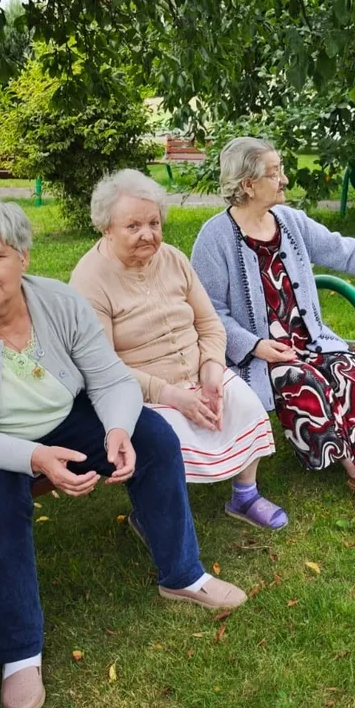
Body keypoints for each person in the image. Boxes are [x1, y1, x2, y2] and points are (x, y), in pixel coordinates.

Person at [0, 197, 248, 708]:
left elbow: (110, 379)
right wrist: (35, 458)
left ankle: (183, 574)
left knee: (153, 439)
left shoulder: (58, 302)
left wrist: (117, 429)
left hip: (57, 419)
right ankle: (20, 651)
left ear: (23, 257)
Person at [191, 137, 355, 503]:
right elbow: (209, 313)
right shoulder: (215, 238)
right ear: (247, 185)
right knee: (302, 380)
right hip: (262, 353)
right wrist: (256, 345)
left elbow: (344, 250)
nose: (284, 180)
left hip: (311, 339)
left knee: (345, 369)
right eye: (275, 173)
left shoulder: (289, 222)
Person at [70, 170, 283, 530]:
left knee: (244, 403)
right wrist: (171, 395)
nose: (147, 234)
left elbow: (209, 323)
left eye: (154, 222)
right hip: (141, 389)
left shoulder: (172, 258)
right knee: (163, 440)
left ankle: (244, 496)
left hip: (197, 372)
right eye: (133, 226)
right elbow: (102, 366)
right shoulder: (89, 280)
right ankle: (151, 515)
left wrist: (213, 369)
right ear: (106, 227)